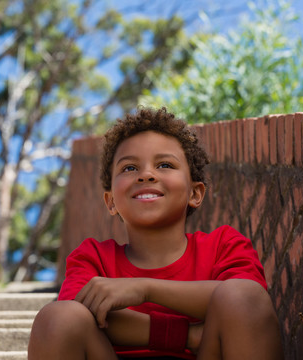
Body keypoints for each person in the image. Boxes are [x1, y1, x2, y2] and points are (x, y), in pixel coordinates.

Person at [28, 107, 283, 360]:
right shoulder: (93, 258)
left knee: (241, 294)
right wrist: (186, 336)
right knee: (57, 317)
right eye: (129, 168)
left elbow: (248, 307)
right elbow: (73, 317)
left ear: (195, 193)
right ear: (111, 201)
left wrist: (145, 289)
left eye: (164, 164)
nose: (146, 175)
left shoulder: (223, 246)